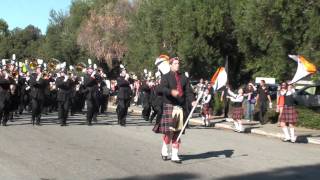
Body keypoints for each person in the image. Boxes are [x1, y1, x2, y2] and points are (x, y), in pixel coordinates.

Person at [159, 57, 196, 163]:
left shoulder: (184, 78)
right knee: (169, 132)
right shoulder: (165, 77)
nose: (177, 65)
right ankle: (165, 148)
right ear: (170, 65)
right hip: (169, 106)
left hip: (180, 108)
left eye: (178, 63)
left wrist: (192, 101)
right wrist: (171, 91)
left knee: (177, 132)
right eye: (175, 63)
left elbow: (189, 92)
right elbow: (162, 89)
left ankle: (175, 154)